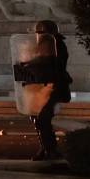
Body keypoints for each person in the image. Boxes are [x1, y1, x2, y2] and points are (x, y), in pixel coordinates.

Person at [30, 20, 72, 161]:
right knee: (36, 117)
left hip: (56, 87)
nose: (39, 35)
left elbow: (53, 64)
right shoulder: (43, 46)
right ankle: (45, 147)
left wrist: (36, 63)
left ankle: (51, 150)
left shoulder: (58, 45)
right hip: (43, 86)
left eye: (41, 32)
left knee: (43, 117)